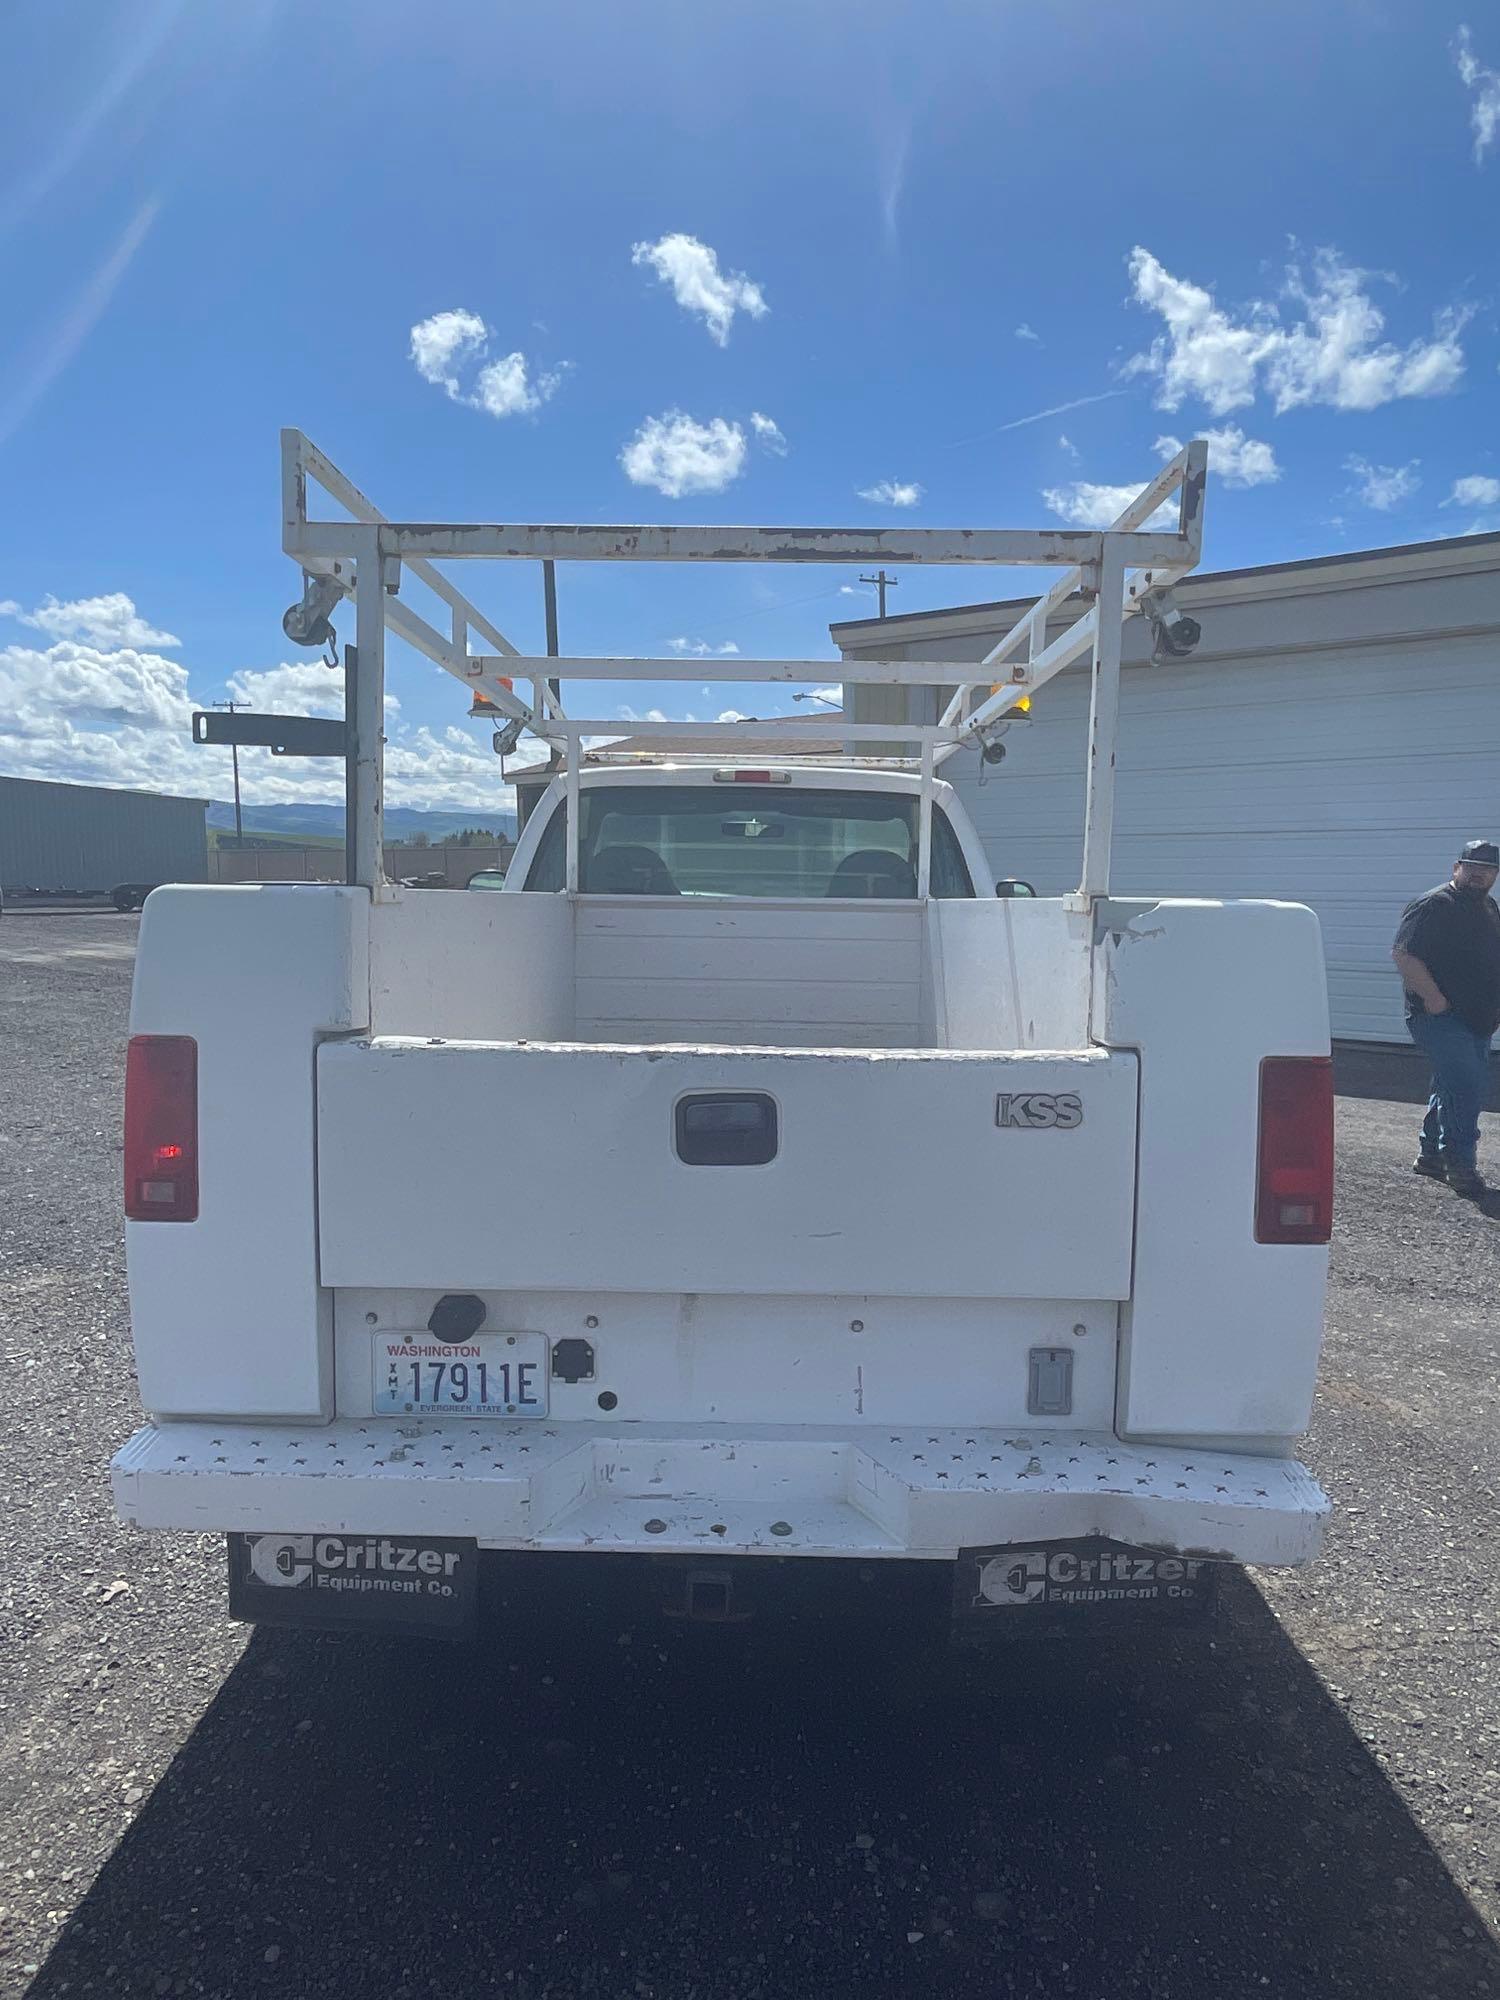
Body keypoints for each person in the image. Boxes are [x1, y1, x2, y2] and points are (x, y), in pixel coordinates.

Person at [1391, 839, 1500, 1196]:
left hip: (1478, 1017)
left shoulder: (1488, 907)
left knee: (1450, 1086)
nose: (1478, 875)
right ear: (1456, 868)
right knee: (1466, 1088)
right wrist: (1435, 1000)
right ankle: (1460, 1164)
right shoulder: (1434, 905)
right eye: (1471, 868)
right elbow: (1404, 954)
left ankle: (1430, 1157)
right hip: (1438, 1017)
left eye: (1486, 870)